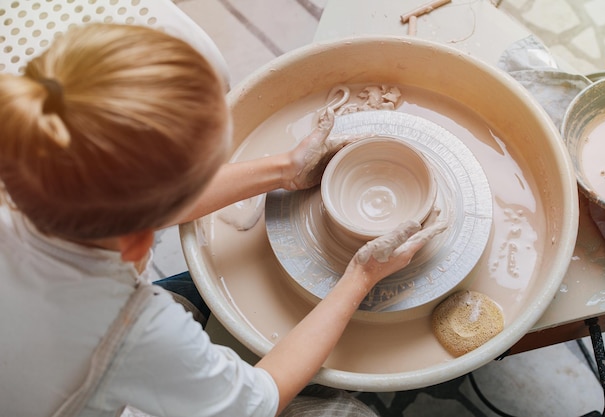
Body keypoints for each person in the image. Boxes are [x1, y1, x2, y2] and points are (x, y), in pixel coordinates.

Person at [0, 23, 432, 417]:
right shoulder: (132, 333)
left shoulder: (29, 160)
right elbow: (259, 401)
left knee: (204, 295)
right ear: (141, 237)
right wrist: (360, 274)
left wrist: (285, 168)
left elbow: (115, 198)